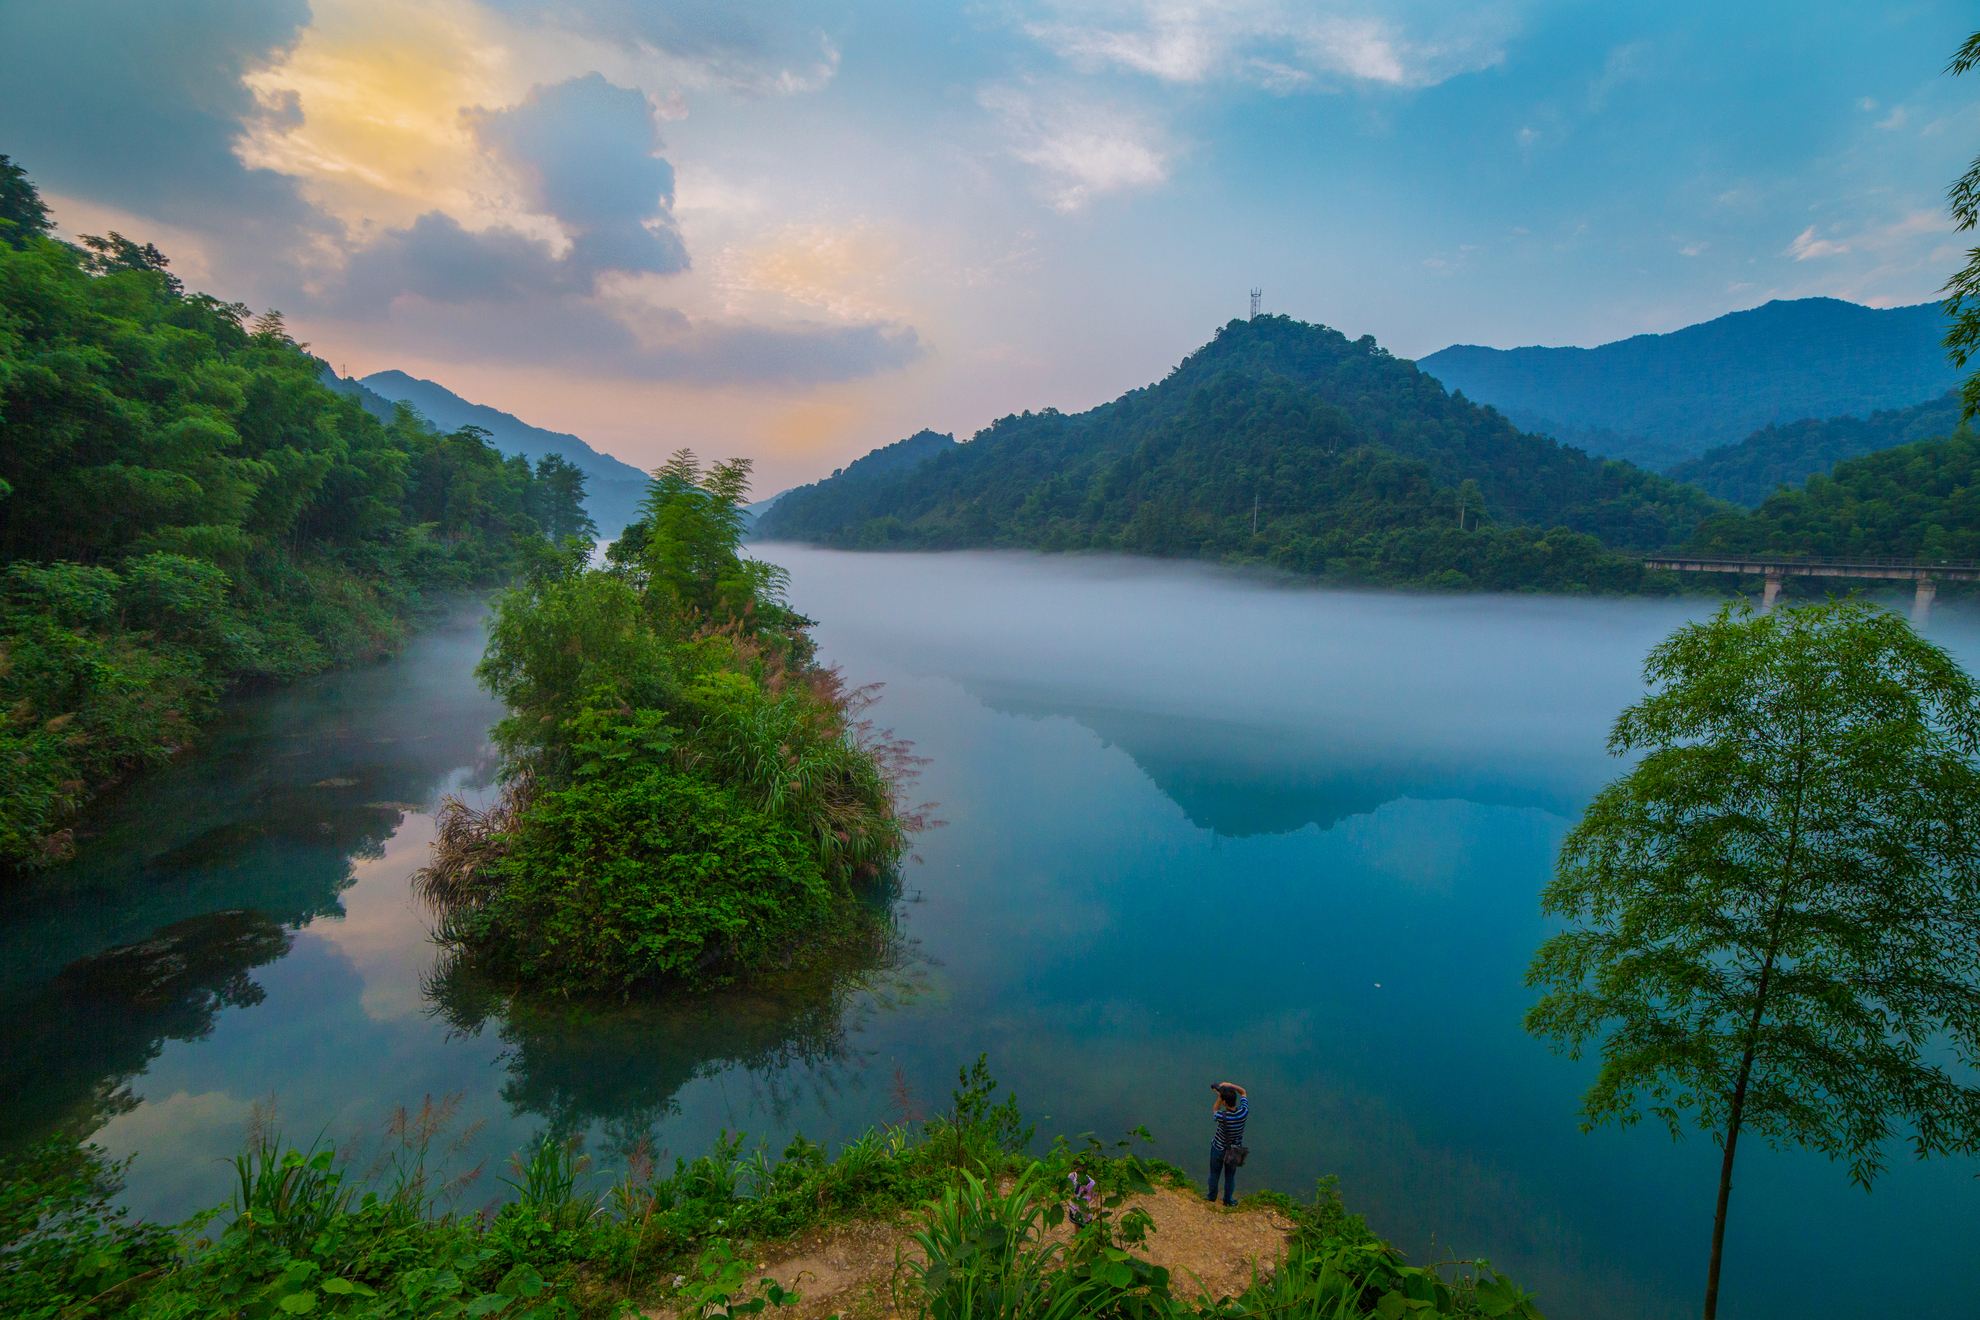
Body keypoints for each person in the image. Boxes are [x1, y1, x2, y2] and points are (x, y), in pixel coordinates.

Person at [1207, 1080, 1248, 1206]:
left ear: (1224, 1102)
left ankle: (1211, 1197)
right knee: (1230, 1177)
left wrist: (1220, 1096)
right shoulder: (1243, 1112)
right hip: (1235, 1150)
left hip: (1218, 1148)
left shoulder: (1221, 1116)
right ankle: (1228, 1200)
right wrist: (1230, 1086)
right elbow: (1243, 1092)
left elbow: (1215, 1109)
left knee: (1214, 1174)